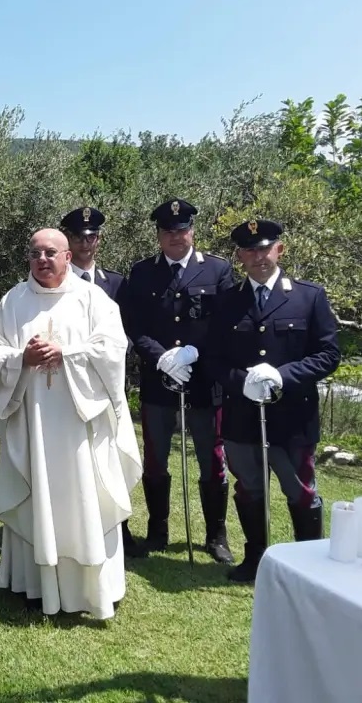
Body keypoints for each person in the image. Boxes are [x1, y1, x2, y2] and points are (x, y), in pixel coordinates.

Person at [0, 228, 142, 618]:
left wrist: (65, 353)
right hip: (31, 422)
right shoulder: (14, 300)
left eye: (51, 252)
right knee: (36, 494)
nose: (42, 260)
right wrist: (21, 359)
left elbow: (112, 350)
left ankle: (90, 588)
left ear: (68, 257)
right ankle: (36, 585)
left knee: (83, 498)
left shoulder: (93, 299)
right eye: (35, 253)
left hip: (79, 426)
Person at [203, 219, 340, 582]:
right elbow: (212, 358)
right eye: (250, 250)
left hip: (292, 418)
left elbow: (329, 355)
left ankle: (308, 566)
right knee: (249, 488)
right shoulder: (227, 301)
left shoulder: (309, 296)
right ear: (239, 256)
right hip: (242, 415)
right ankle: (256, 559)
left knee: (300, 491)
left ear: (279, 249)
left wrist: (283, 375)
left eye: (265, 248)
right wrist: (242, 382)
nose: (258, 256)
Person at [125, 198, 235, 563]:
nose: (176, 236)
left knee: (212, 458)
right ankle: (157, 531)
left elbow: (226, 325)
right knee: (155, 458)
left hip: (204, 381)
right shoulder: (142, 272)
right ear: (158, 234)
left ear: (192, 231)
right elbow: (135, 326)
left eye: (182, 229)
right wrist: (162, 357)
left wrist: (193, 352)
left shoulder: (217, 270)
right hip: (159, 380)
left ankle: (216, 535)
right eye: (168, 231)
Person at [60, 205, 144, 559]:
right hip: (67, 387)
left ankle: (117, 528)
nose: (85, 243)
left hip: (106, 386)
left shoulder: (117, 284)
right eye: (78, 236)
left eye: (92, 236)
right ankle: (72, 528)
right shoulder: (54, 283)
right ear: (68, 240)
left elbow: (126, 333)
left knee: (109, 457)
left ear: (99, 239)